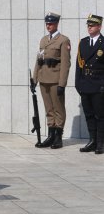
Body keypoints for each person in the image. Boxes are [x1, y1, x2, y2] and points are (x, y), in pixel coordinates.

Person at [32, 13, 71, 149]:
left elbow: (65, 64)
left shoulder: (63, 40)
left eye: (51, 23)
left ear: (56, 24)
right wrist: (34, 79)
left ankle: (58, 137)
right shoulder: (43, 40)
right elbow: (39, 61)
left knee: (58, 109)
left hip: (55, 80)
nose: (48, 26)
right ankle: (51, 135)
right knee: (49, 109)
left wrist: (62, 84)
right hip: (44, 79)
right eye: (47, 23)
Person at [75, 14, 104, 154]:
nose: (89, 27)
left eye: (92, 25)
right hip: (85, 85)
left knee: (100, 115)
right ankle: (92, 141)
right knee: (89, 115)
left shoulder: (103, 43)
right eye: (88, 25)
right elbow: (78, 66)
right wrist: (78, 84)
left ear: (99, 26)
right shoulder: (83, 42)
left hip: (98, 85)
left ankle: (100, 143)